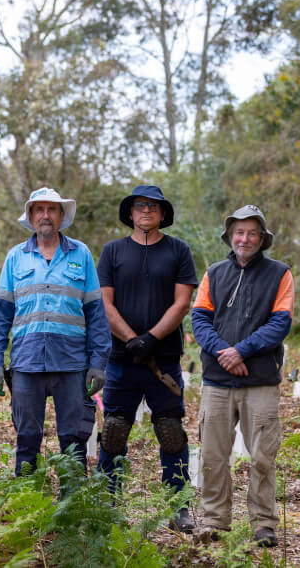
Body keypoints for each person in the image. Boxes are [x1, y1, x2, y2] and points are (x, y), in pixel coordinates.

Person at [0, 187, 111, 477]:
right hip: (26, 363)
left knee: (74, 440)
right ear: (30, 217)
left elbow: (96, 312)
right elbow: (1, 314)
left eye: (51, 209)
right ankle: (27, 504)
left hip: (71, 363)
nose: (45, 215)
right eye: (39, 209)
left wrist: (98, 363)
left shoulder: (80, 254)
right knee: (27, 437)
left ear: (61, 215)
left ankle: (72, 508)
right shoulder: (16, 257)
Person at [95, 185, 198, 532]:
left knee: (171, 432)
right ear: (131, 212)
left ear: (163, 214)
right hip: (122, 360)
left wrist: (152, 338)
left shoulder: (179, 251)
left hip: (163, 360)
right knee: (114, 431)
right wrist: (131, 339)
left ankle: (179, 507)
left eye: (153, 206)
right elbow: (104, 304)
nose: (146, 211)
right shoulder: (112, 252)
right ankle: (108, 504)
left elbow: (182, 302)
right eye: (140, 206)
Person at [191, 205, 294, 548]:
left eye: (252, 233)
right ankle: (215, 521)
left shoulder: (280, 274)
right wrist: (224, 352)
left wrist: (242, 351)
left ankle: (263, 523)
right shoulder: (214, 273)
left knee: (263, 455)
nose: (244, 238)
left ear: (262, 238)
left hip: (260, 380)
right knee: (213, 455)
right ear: (230, 236)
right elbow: (200, 319)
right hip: (217, 382)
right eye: (239, 232)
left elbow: (280, 323)